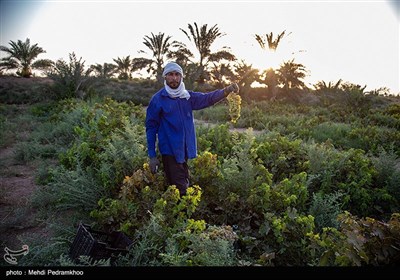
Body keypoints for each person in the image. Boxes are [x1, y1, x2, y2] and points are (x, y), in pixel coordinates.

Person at [145, 61, 239, 196]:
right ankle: (183, 214)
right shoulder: (158, 99)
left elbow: (207, 98)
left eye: (177, 74)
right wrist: (152, 156)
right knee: (180, 189)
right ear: (165, 77)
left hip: (185, 150)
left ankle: (176, 212)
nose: (174, 78)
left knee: (180, 184)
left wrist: (226, 91)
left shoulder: (187, 96)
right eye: (170, 75)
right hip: (170, 151)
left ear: (181, 77)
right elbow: (151, 128)